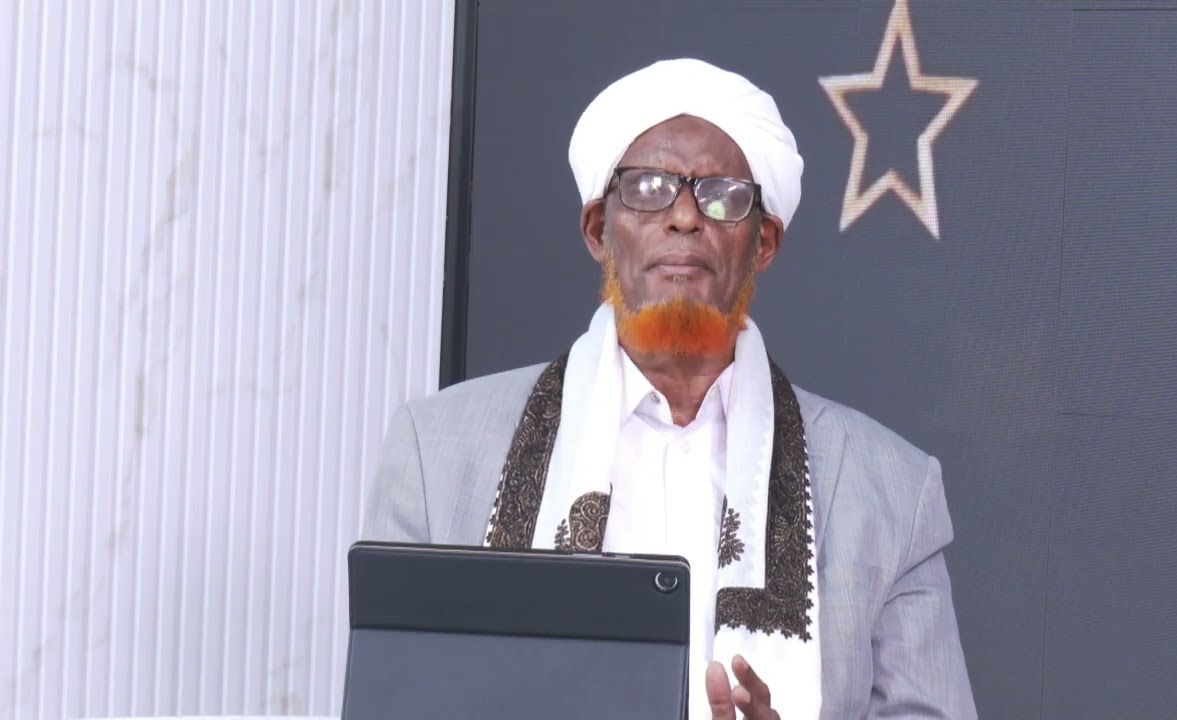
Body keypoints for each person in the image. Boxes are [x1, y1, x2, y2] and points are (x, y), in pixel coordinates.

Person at [362, 58, 976, 720]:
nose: (685, 216)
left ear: (763, 243)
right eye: (649, 188)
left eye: (722, 196)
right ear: (599, 230)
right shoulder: (438, 456)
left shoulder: (891, 492)